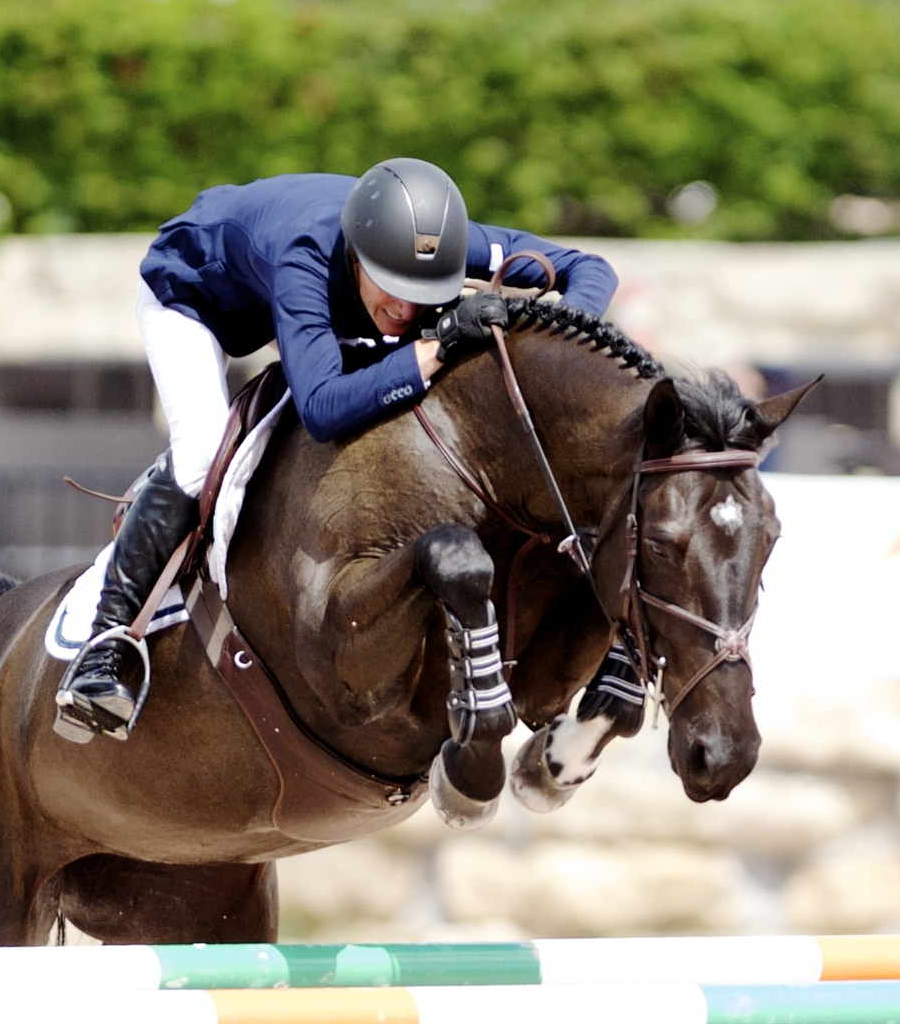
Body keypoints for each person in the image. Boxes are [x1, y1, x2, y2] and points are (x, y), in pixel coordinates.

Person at [55, 158, 619, 741]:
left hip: (301, 307)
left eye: (424, 294)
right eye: (394, 291)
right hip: (194, 299)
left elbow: (590, 268)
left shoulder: (436, 245)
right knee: (201, 450)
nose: (407, 310)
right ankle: (106, 644)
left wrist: (537, 324)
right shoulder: (303, 256)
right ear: (357, 257)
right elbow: (324, 409)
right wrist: (438, 345)